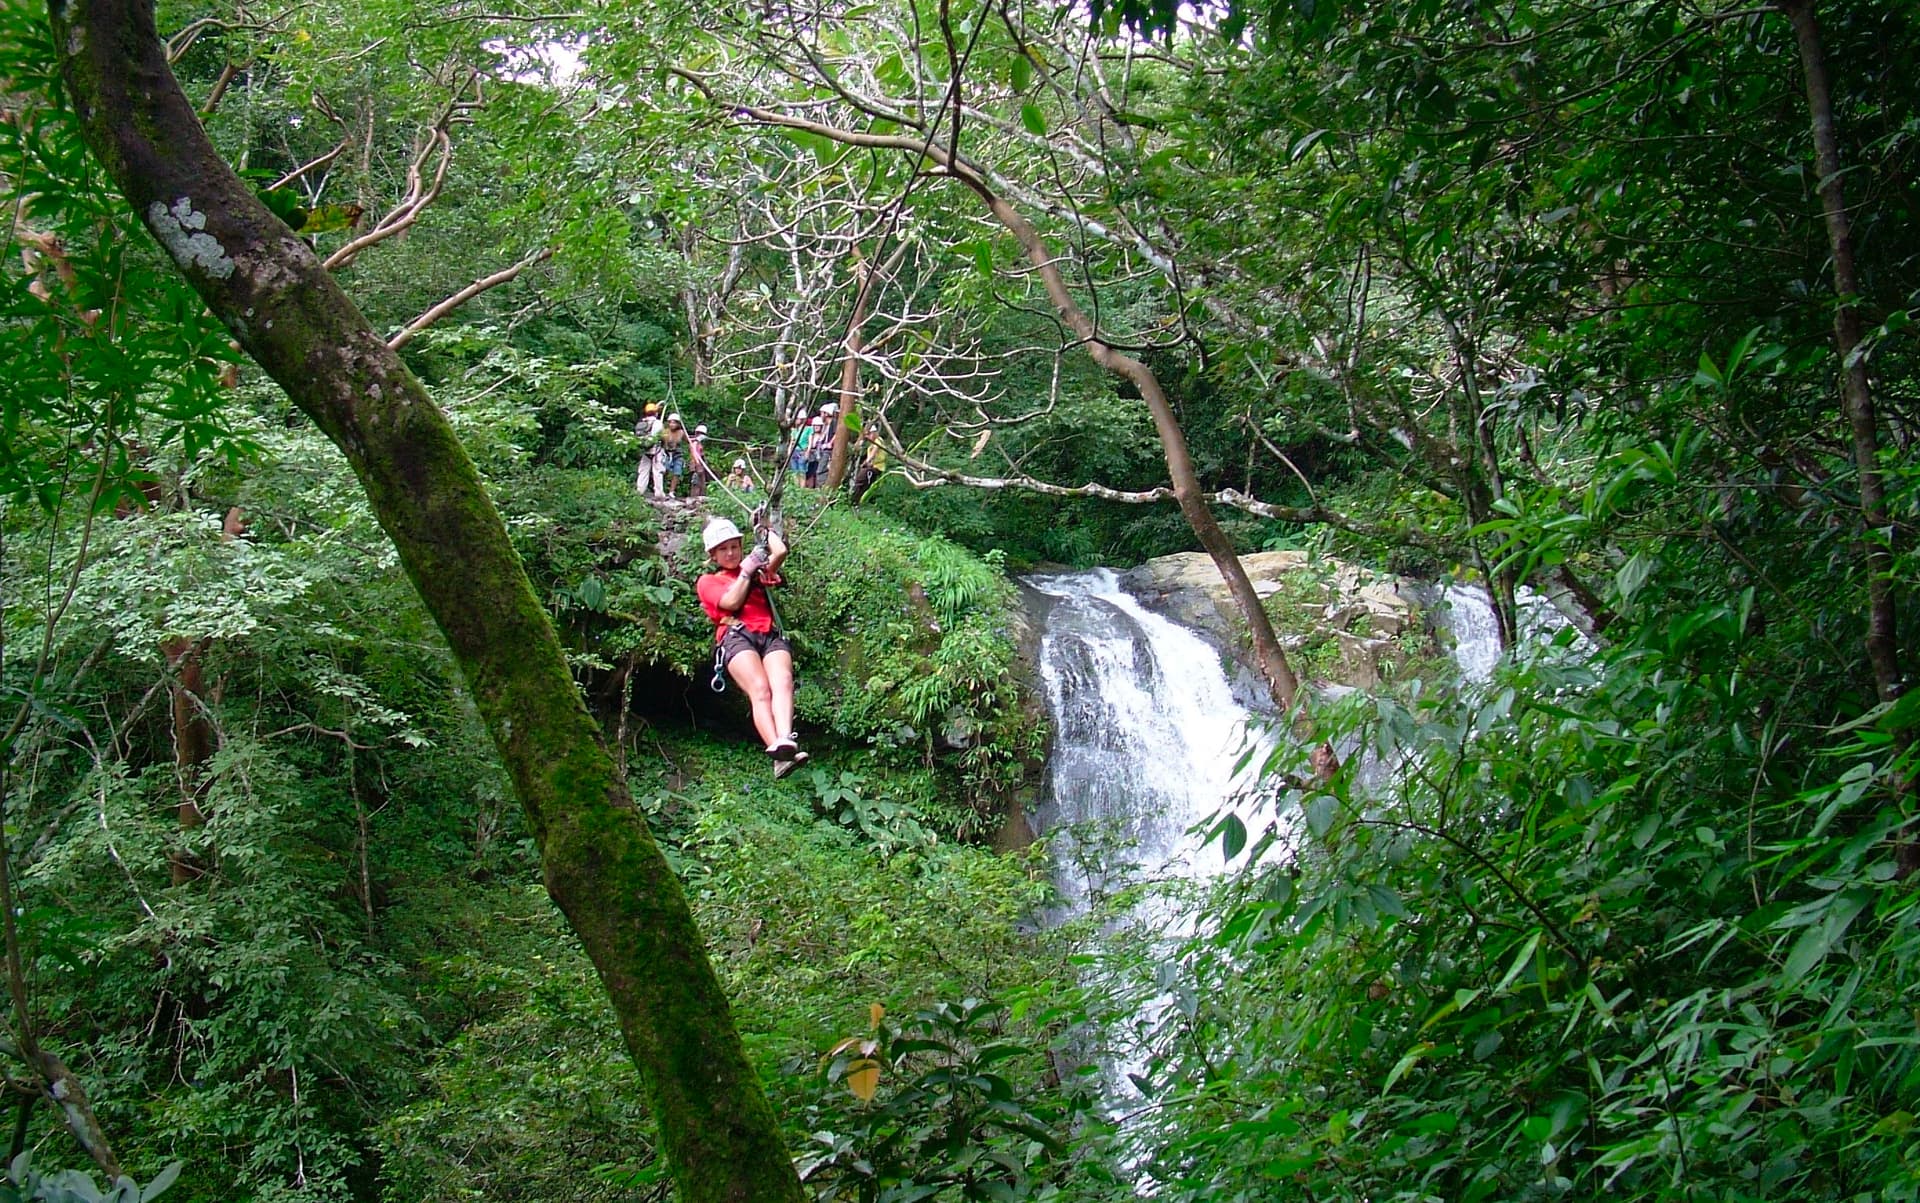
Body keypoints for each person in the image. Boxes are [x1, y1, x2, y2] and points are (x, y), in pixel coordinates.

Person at [697, 516, 808, 776]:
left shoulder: (757, 570)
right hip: (736, 636)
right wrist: (747, 571)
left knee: (783, 681)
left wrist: (765, 530)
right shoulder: (708, 581)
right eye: (723, 549)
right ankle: (775, 748)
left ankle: (785, 740)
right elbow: (731, 602)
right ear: (713, 555)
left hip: (768, 633)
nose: (731, 553)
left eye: (734, 546)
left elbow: (780, 552)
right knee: (760, 689)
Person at [634, 403, 665, 496]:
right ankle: (659, 493)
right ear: (655, 413)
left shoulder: (642, 423)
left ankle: (640, 491)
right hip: (656, 450)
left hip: (645, 450)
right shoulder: (658, 423)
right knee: (657, 471)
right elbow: (661, 436)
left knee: (643, 471)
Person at [850, 427, 887, 505]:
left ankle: (854, 500)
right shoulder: (872, 444)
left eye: (869, 434)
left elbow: (873, 453)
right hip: (871, 466)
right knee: (862, 482)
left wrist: (867, 462)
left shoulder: (878, 441)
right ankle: (856, 500)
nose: (868, 437)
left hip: (877, 467)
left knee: (860, 480)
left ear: (874, 433)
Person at [660, 414, 688, 497]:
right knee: (664, 470)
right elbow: (658, 441)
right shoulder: (665, 432)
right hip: (666, 454)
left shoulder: (681, 432)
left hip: (677, 455)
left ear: (678, 424)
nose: (672, 424)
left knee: (677, 472)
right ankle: (661, 489)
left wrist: (696, 439)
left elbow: (689, 440)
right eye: (670, 422)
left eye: (674, 422)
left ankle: (671, 492)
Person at [688, 423, 713, 500]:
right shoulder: (694, 443)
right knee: (696, 482)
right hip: (696, 463)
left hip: (701, 463)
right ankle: (694, 498)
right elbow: (694, 453)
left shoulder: (699, 443)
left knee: (702, 482)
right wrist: (697, 463)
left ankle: (701, 497)